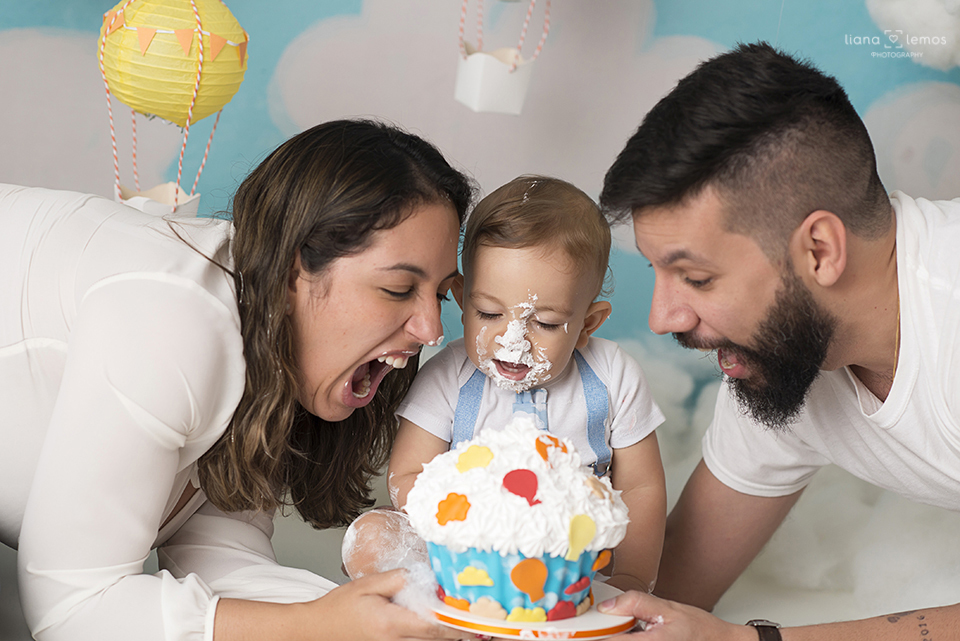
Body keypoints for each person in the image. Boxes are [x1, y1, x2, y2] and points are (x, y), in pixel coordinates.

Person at [0, 119, 477, 641]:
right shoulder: (172, 319)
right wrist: (318, 622)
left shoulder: (276, 355)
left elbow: (224, 563)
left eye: (441, 294)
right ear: (296, 268)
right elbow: (71, 613)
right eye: (398, 288)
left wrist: (407, 620)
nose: (431, 329)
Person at [595, 41, 960, 640]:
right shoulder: (782, 359)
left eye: (696, 278)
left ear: (820, 250)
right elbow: (666, 592)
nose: (663, 318)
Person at [353, 176, 667, 594]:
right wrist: (481, 521)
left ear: (588, 323)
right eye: (488, 313)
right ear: (462, 299)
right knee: (372, 535)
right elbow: (407, 474)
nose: (512, 340)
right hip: (467, 554)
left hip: (569, 558)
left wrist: (629, 580)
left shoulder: (613, 375)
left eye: (547, 323)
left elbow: (642, 487)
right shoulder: (450, 375)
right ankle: (441, 609)